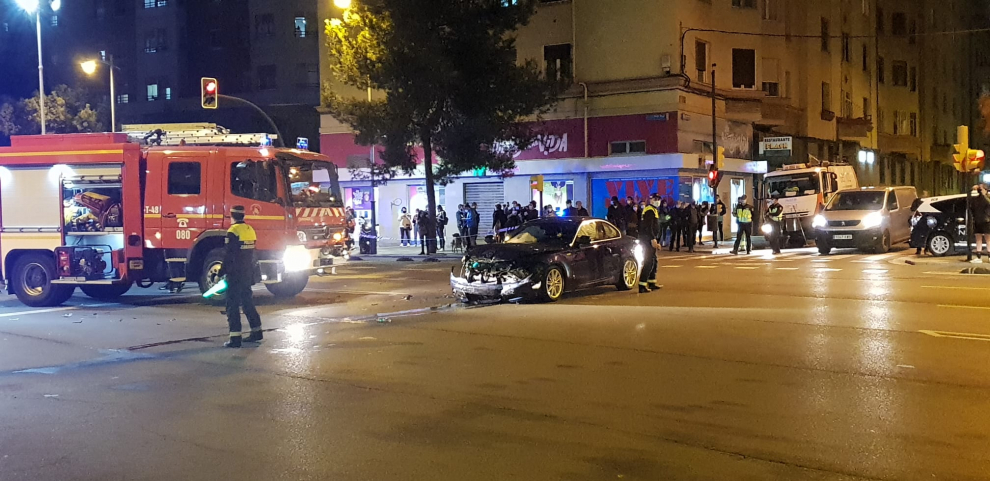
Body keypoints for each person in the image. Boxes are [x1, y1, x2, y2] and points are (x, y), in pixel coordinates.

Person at [220, 205, 262, 348]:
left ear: (231, 215)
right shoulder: (250, 230)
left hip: (235, 274)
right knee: (247, 301)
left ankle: (235, 338)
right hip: (247, 272)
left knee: (232, 304)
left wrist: (222, 271)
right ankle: (257, 331)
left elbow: (229, 255)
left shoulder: (233, 231)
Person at [638, 195, 662, 293]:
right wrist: (653, 239)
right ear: (651, 200)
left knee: (654, 261)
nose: (657, 201)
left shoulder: (653, 210)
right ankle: (642, 285)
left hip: (650, 238)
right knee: (649, 261)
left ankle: (651, 282)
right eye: (655, 199)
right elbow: (649, 226)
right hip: (647, 239)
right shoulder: (649, 210)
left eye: (658, 200)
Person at [970, 184, 990, 263]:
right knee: (985, 240)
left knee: (982, 240)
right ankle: (985, 257)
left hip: (981, 220)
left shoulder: (978, 199)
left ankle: (982, 257)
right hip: (983, 221)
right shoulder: (984, 199)